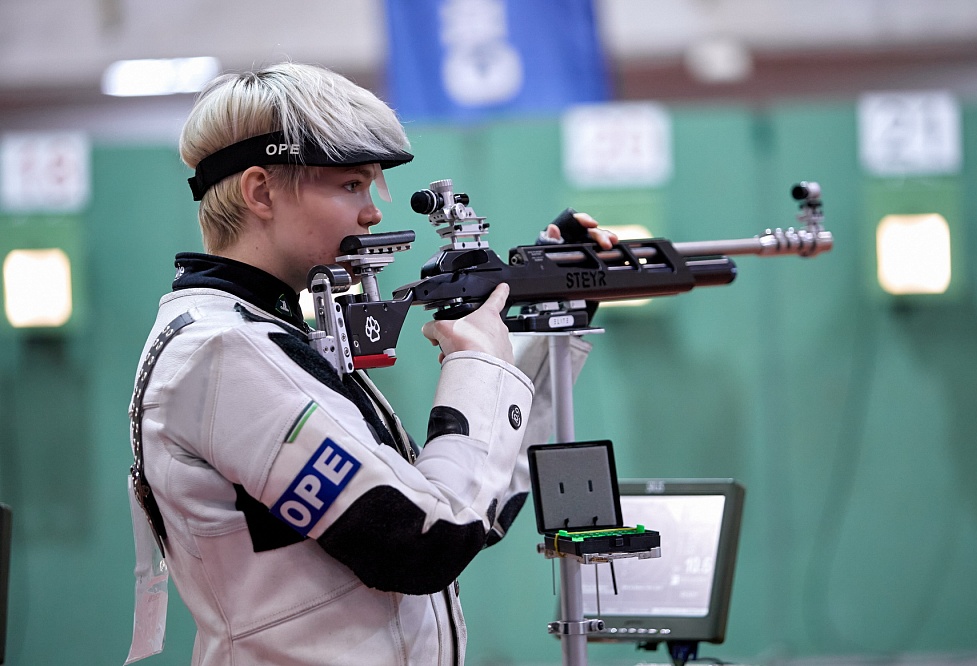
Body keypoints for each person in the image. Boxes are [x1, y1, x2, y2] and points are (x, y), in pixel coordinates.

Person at [125, 62, 616, 666]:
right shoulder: (223, 352)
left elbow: (467, 510)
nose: (372, 213)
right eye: (351, 185)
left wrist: (541, 320)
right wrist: (477, 367)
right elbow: (424, 542)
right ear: (260, 192)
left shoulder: (265, 337)